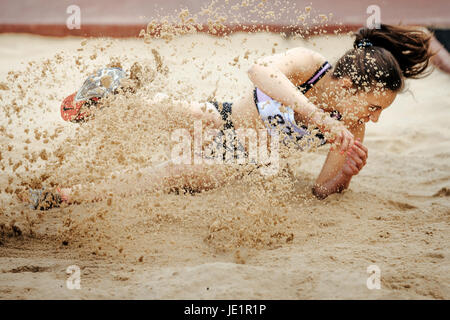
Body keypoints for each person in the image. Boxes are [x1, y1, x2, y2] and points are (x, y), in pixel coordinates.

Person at [22, 24, 434, 210]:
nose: (375, 120)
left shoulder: (353, 126)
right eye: (375, 107)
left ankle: (61, 197)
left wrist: (344, 177)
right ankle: (103, 101)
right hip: (225, 119)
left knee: (174, 174)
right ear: (348, 87)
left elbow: (320, 192)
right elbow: (259, 70)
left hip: (246, 160)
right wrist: (315, 116)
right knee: (174, 110)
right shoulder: (311, 65)